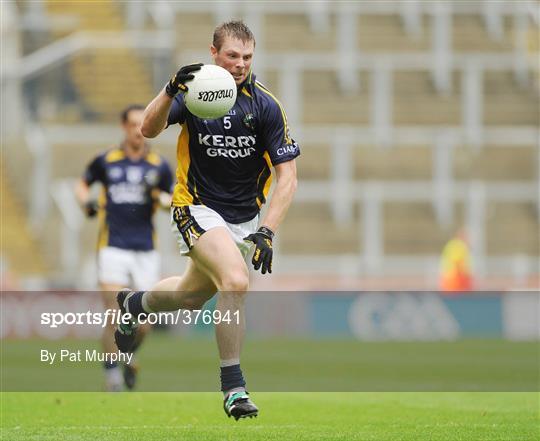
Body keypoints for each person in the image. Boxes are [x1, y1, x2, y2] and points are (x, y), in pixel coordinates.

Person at [114, 21, 299, 419]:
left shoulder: (265, 105)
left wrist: (267, 230)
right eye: (232, 56)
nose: (240, 65)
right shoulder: (197, 90)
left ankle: (134, 305)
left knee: (189, 296)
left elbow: (288, 176)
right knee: (234, 280)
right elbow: (148, 129)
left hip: (243, 219)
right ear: (214, 53)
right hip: (195, 207)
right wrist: (169, 89)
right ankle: (233, 388)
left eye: (247, 57)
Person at [75, 104, 174, 391]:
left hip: (145, 249)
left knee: (143, 323)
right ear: (123, 127)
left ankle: (129, 355)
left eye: (141, 124)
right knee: (114, 315)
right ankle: (112, 376)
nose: (137, 130)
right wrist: (86, 203)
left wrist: (160, 198)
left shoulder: (159, 166)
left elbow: (172, 201)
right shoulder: (107, 160)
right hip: (113, 247)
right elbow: (82, 185)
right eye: (132, 124)